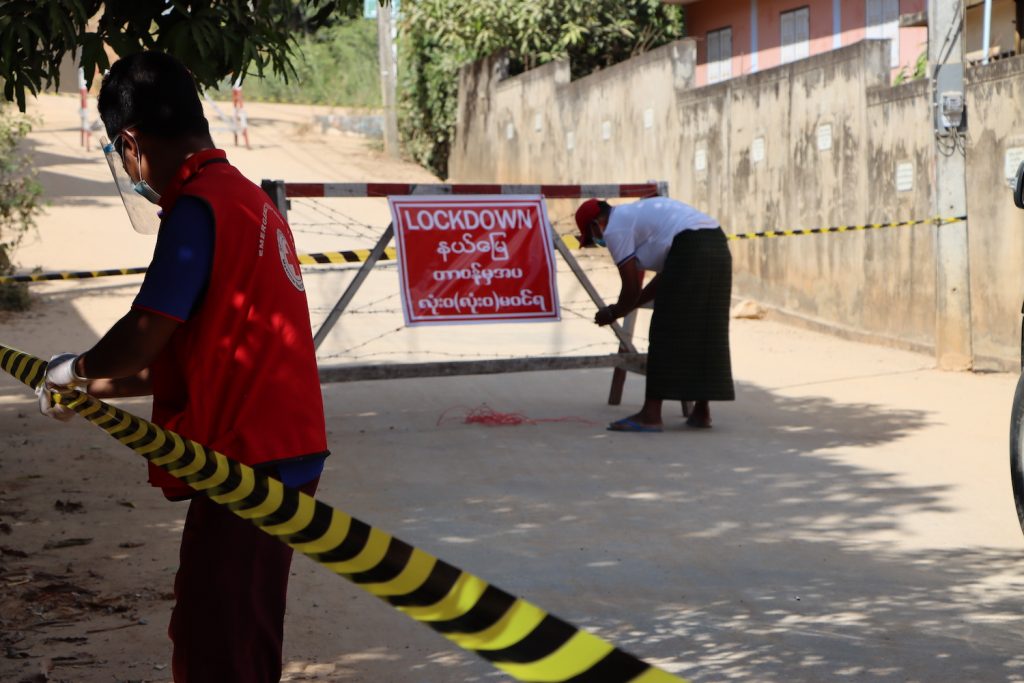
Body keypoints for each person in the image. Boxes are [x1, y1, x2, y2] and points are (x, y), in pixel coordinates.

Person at [36, 51, 329, 682]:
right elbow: (180, 356)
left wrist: (76, 364)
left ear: (132, 143)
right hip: (280, 453)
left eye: (122, 155)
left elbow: (145, 336)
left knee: (218, 648)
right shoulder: (249, 200)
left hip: (250, 466)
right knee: (234, 629)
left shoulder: (198, 209)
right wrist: (85, 385)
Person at [575, 197, 735, 432]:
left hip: (691, 247)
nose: (601, 243)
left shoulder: (615, 228)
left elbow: (630, 287)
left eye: (594, 239)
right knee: (705, 327)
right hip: (716, 243)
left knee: (665, 329)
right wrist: (631, 305)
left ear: (597, 225)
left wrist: (613, 312)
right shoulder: (635, 217)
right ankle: (701, 410)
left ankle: (651, 413)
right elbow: (665, 277)